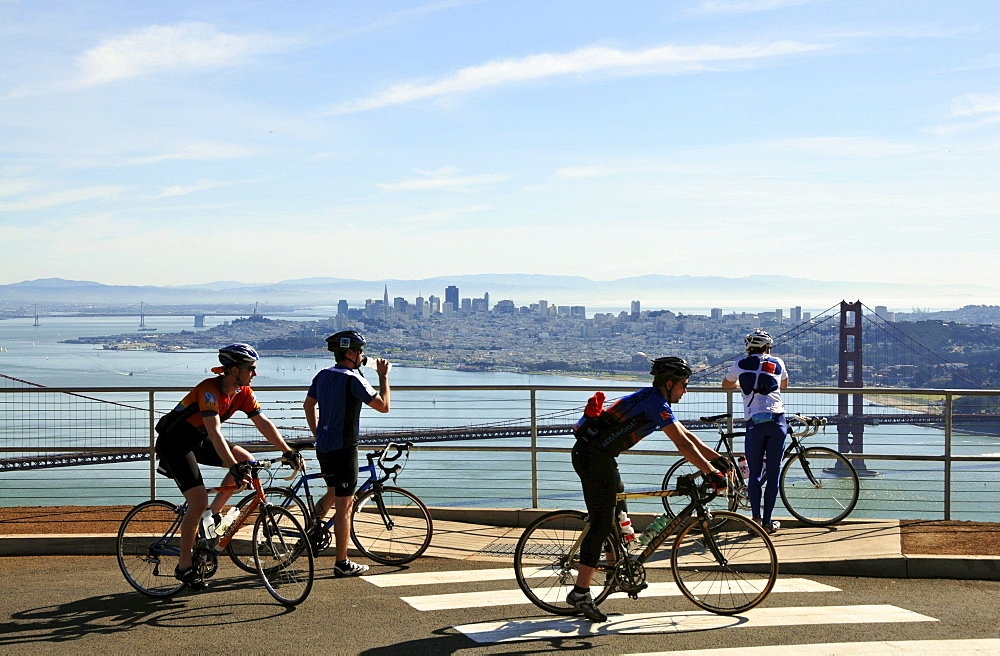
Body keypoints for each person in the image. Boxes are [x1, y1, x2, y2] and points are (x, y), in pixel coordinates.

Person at [568, 356, 730, 622]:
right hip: (592, 457)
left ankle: (614, 577)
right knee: (601, 523)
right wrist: (711, 472)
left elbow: (688, 436)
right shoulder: (655, 402)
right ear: (669, 384)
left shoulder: (655, 398)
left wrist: (716, 459)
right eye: (684, 385)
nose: (685, 391)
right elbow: (682, 444)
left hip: (601, 456)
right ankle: (580, 593)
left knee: (617, 512)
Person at [154, 343, 303, 590]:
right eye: (251, 369)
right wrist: (233, 467)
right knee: (198, 500)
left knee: (248, 461)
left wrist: (287, 451)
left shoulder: (243, 392)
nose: (255, 374)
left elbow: (262, 423)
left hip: (199, 440)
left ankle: (212, 517)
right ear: (234, 370)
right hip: (175, 443)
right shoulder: (209, 389)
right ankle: (184, 566)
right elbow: (214, 431)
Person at [303, 330, 391, 577]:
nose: (363, 355)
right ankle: (342, 562)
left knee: (332, 491)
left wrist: (318, 432)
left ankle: (311, 531)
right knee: (345, 506)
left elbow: (308, 405)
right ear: (350, 353)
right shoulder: (354, 379)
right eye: (360, 351)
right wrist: (383, 377)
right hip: (344, 449)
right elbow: (384, 407)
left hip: (324, 447)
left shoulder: (322, 375)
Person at [722, 329, 790, 534]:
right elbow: (784, 385)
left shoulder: (740, 364)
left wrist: (742, 384)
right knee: (774, 473)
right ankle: (768, 523)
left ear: (748, 348)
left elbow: (726, 385)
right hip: (777, 421)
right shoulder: (777, 363)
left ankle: (755, 521)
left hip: (754, 423)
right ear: (768, 346)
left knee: (754, 475)